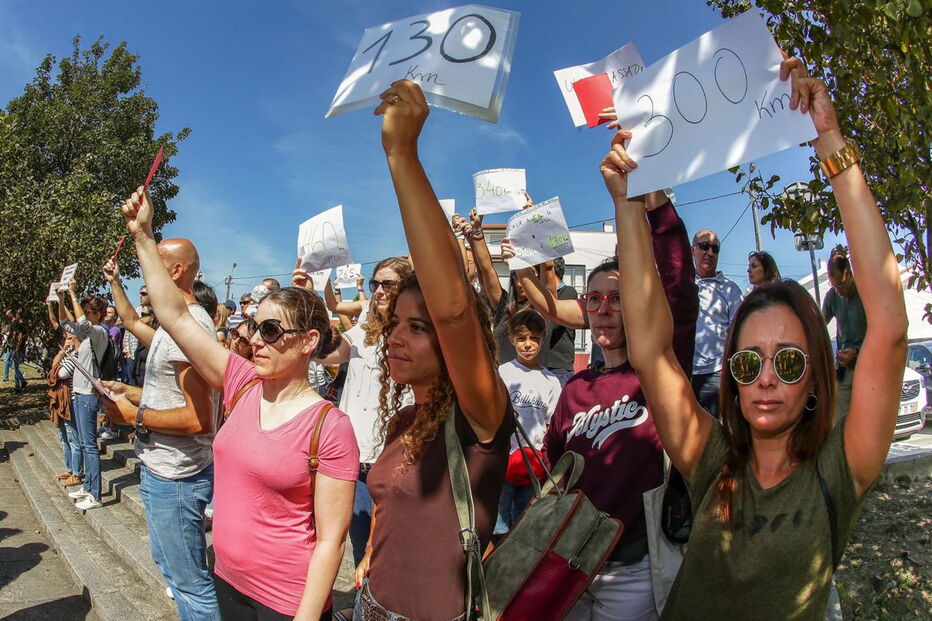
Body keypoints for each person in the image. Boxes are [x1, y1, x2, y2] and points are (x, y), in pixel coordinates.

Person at [611, 58, 907, 620]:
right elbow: (650, 352)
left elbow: (888, 327)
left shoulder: (839, 470)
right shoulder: (710, 459)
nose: (766, 378)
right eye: (748, 364)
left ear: (816, 377)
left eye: (789, 361)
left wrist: (831, 144)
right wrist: (628, 203)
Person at [117, 188, 359, 621]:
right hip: (227, 581)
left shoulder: (330, 426)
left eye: (270, 330)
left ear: (308, 342)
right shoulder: (242, 383)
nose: (254, 339)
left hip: (284, 602)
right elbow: (173, 314)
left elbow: (330, 541)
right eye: (252, 326)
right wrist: (142, 235)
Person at [352, 80, 513, 620]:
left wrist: (401, 154)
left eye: (416, 327)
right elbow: (391, 508)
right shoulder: (404, 422)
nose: (394, 337)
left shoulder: (480, 422)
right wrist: (373, 549)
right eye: (394, 323)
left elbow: (454, 310)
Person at [540, 188, 697, 618]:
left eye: (616, 297)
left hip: (633, 572)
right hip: (569, 565)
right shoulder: (575, 388)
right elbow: (552, 460)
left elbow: (679, 295)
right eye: (594, 299)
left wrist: (656, 206)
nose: (603, 309)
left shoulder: (656, 373)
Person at [100, 247, 221, 619]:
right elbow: (131, 320)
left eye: (150, 268)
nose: (145, 278)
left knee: (190, 582)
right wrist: (115, 282)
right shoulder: (172, 326)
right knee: (172, 569)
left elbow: (199, 418)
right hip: (162, 470)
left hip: (178, 476)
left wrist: (134, 415)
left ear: (177, 271)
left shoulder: (193, 326)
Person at [310, 256, 413, 566]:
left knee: (387, 552)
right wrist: (311, 306)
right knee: (358, 550)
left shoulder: (418, 335)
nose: (378, 290)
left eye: (387, 284)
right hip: (352, 459)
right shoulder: (364, 328)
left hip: (394, 461)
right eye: (374, 284)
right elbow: (327, 354)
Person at [495, 309, 561, 536]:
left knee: (524, 526)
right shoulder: (502, 373)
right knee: (497, 525)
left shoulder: (551, 381)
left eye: (534, 338)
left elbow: (551, 424)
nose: (528, 344)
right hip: (503, 462)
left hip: (533, 465)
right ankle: (494, 566)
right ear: (512, 339)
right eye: (522, 338)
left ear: (542, 340)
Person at [59, 284, 110, 510]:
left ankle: (95, 494)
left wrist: (72, 292)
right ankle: (88, 487)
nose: (86, 315)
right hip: (78, 392)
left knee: (89, 445)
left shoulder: (99, 333)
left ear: (98, 314)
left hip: (89, 395)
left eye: (89, 311)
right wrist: (60, 300)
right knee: (82, 441)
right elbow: (65, 323)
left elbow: (81, 323)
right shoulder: (86, 337)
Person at [691, 228, 743, 418]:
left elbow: (739, 331)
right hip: (685, 374)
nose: (710, 252)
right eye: (704, 246)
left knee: (719, 437)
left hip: (717, 376)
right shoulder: (682, 286)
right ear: (692, 250)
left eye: (715, 248)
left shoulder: (730, 290)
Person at [822, 251, 866, 421]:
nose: (838, 291)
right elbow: (819, 324)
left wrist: (856, 351)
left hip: (868, 362)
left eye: (840, 285)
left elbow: (880, 330)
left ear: (848, 274)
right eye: (833, 286)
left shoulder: (865, 293)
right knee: (838, 418)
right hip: (844, 366)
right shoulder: (832, 296)